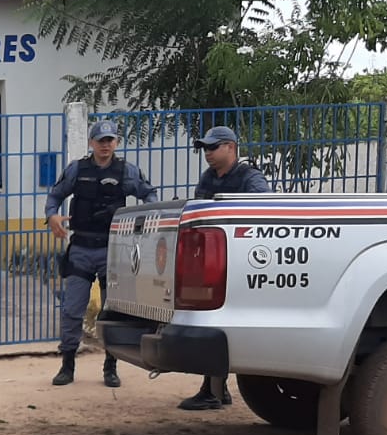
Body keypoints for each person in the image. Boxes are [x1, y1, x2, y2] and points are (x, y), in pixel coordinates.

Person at [44, 119, 158, 388]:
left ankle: (111, 366)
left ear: (116, 143)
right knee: (72, 309)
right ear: (91, 143)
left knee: (112, 311)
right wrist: (52, 216)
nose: (105, 145)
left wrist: (143, 223)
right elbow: (55, 195)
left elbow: (149, 195)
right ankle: (67, 364)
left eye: (110, 140)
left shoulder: (126, 171)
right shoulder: (77, 169)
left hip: (112, 249)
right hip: (81, 248)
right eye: (100, 141)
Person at [177, 125, 271, 411]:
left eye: (213, 147)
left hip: (241, 262)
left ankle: (214, 390)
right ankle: (216, 389)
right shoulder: (208, 178)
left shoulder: (249, 177)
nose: (207, 153)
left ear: (231, 147)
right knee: (211, 322)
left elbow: (264, 211)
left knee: (220, 323)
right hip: (214, 262)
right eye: (205, 148)